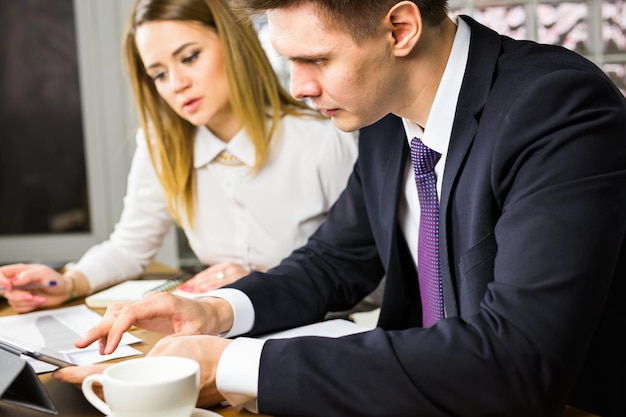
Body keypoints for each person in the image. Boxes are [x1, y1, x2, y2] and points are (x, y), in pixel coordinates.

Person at [54, 1, 626, 416]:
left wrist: (227, 366)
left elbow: (516, 361)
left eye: (316, 60)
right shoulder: (382, 111)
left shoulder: (556, 107)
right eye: (290, 62)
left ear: (399, 29)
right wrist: (217, 313)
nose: (299, 87)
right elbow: (334, 260)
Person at [0, 0, 358, 314]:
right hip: (217, 328)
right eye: (158, 73)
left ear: (234, 44)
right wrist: (69, 282)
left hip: (312, 331)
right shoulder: (163, 144)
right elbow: (129, 248)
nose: (176, 84)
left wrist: (262, 284)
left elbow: (360, 273)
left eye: (189, 57)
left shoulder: (323, 139)